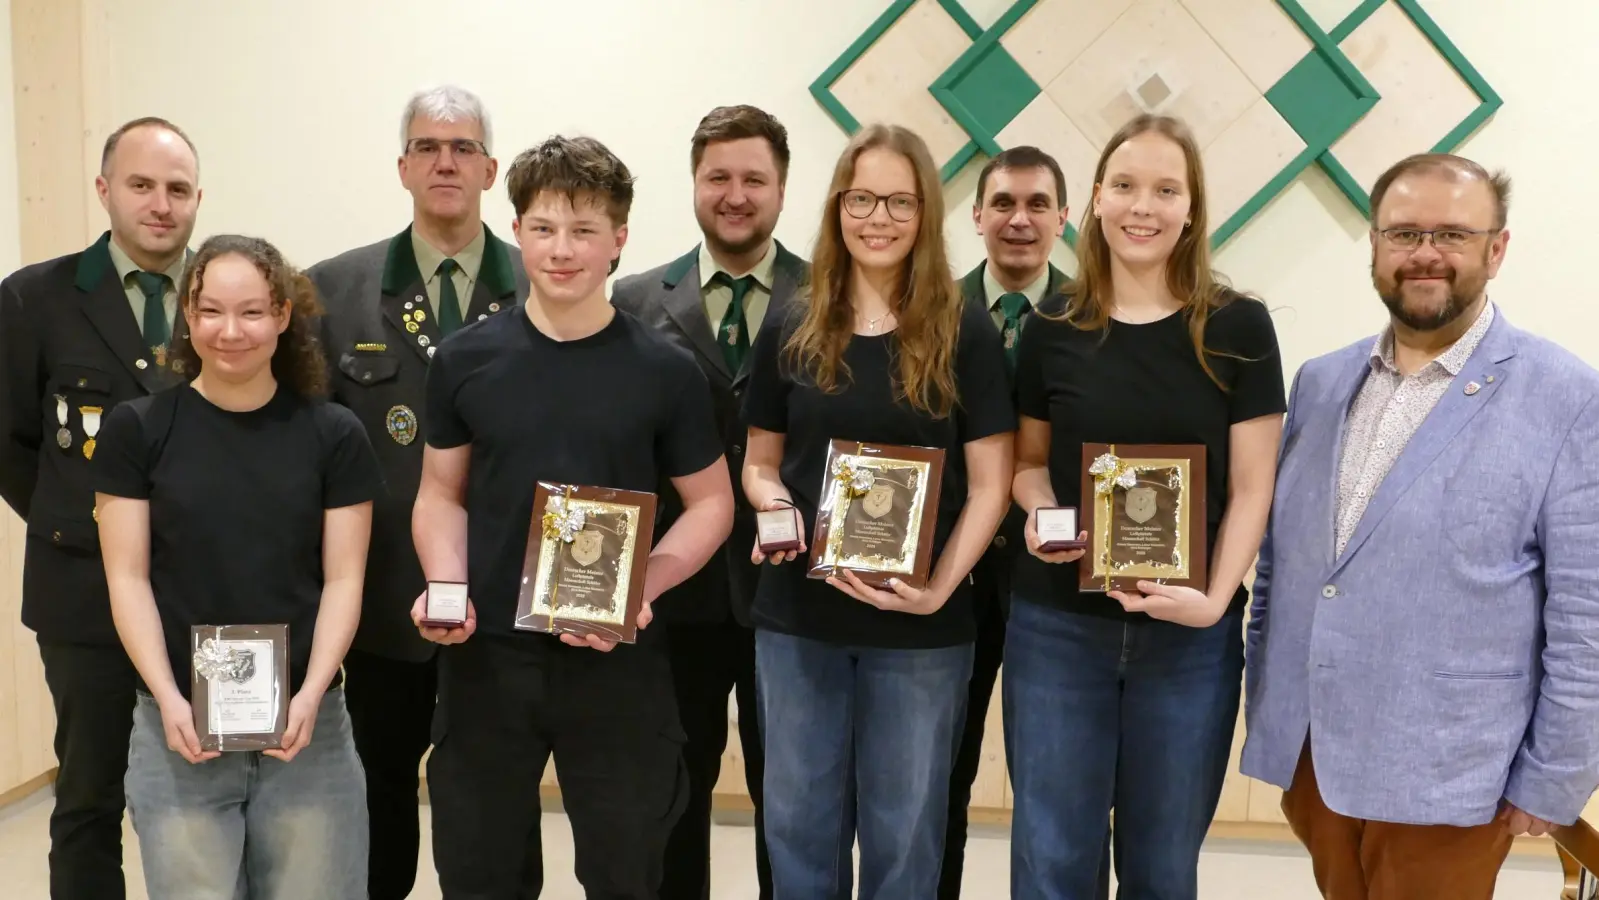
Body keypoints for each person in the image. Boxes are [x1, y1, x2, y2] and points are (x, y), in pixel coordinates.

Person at [1241, 153, 1599, 899]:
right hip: (1316, 754)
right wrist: (1270, 713)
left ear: (1495, 249)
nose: (1424, 254)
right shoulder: (1320, 381)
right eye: (1403, 234)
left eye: (1451, 235)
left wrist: (1556, 773)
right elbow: (1284, 565)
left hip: (1455, 766)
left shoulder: (1567, 397)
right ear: (1373, 245)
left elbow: (1584, 608)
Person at [412, 134, 735, 899]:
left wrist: (644, 584)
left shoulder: (664, 369)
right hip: (488, 658)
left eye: (585, 230)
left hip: (616, 667)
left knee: (626, 874)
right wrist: (445, 583)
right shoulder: (464, 359)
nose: (562, 250)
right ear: (517, 228)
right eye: (545, 227)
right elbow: (439, 494)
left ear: (619, 240)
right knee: (479, 872)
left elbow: (712, 503)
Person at [1007, 113, 1285, 900]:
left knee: (1162, 869)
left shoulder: (1237, 327)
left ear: (1191, 208)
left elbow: (1254, 485)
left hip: (1188, 643)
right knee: (1051, 861)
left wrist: (1213, 601)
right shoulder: (1051, 327)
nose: (1143, 206)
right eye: (1125, 186)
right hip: (1059, 629)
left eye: (1166, 189)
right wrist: (1039, 513)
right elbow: (1029, 465)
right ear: (1094, 200)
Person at [741, 122, 1016, 900]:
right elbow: (760, 463)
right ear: (835, 206)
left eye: (899, 201)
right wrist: (775, 507)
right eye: (860, 198)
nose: (878, 217)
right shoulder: (792, 320)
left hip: (920, 630)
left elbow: (991, 484)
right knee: (797, 825)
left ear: (925, 212)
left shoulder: (965, 331)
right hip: (799, 620)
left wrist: (936, 589)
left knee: (905, 832)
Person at [92, 234, 382, 898]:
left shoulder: (334, 434)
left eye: (252, 312)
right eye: (211, 311)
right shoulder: (136, 430)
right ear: (188, 318)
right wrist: (168, 698)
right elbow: (126, 576)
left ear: (283, 315)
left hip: (309, 734)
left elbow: (345, 579)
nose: (230, 331)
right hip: (178, 731)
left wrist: (309, 695)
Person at [307, 83, 529, 900]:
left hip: (507, 601)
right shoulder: (334, 291)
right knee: (380, 792)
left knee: (491, 798)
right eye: (429, 147)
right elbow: (309, 459)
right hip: (385, 602)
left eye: (463, 147)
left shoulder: (542, 284)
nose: (446, 161)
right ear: (402, 166)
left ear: (490, 169)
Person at [0, 116, 200, 900]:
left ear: (197, 199)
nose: (159, 204)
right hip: (82, 594)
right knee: (89, 793)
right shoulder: (35, 298)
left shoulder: (226, 295)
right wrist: (86, 526)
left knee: (200, 797)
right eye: (141, 185)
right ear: (104, 189)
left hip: (202, 590)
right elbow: (11, 443)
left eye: (177, 189)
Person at [612, 103, 803, 900]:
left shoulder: (830, 296)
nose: (735, 194)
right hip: (670, 591)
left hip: (792, 591)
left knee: (791, 799)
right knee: (671, 794)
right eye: (717, 177)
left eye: (753, 178)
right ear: (692, 184)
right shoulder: (628, 301)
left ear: (782, 187)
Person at [942, 144, 1080, 900]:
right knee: (939, 777)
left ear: (1065, 217)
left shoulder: (1097, 318)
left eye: (1036, 205)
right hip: (947, 578)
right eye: (1002, 204)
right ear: (976, 217)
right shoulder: (929, 306)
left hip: (1053, 584)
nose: (1018, 220)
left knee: (1054, 787)